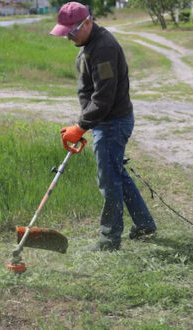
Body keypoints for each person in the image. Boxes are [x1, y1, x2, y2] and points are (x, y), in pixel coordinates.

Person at [50, 2, 157, 251]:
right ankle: (144, 224)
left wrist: (80, 126)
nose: (68, 37)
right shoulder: (89, 43)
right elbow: (91, 92)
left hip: (113, 124)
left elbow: (103, 98)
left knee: (109, 182)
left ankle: (109, 239)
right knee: (117, 175)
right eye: (65, 32)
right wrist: (84, 123)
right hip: (105, 122)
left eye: (71, 31)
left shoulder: (104, 48)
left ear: (86, 23)